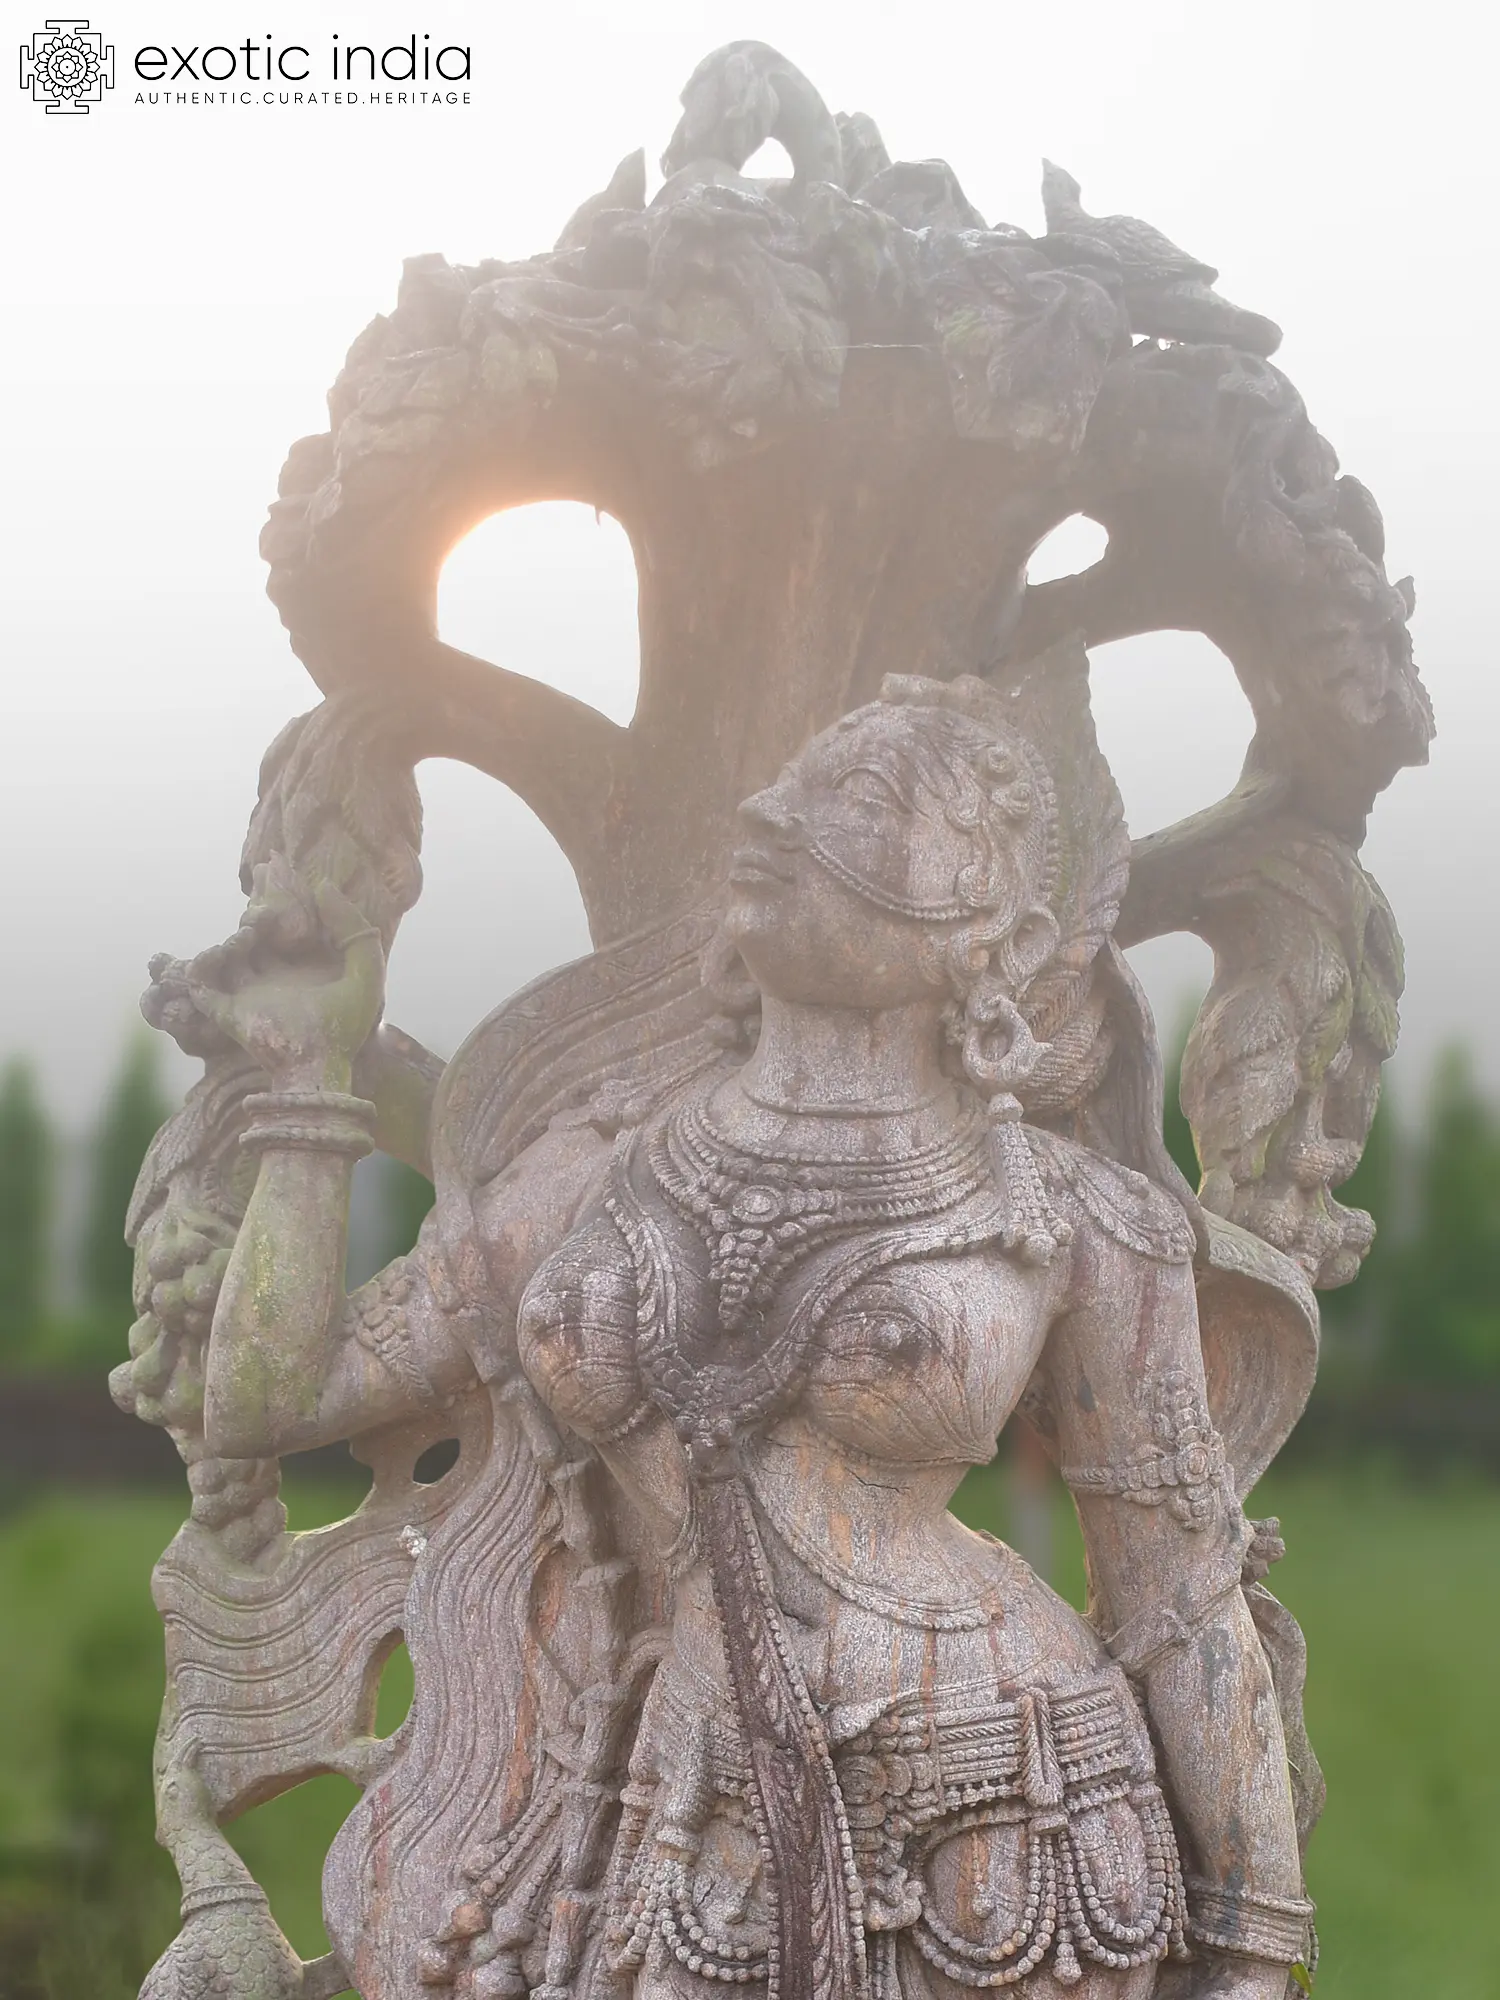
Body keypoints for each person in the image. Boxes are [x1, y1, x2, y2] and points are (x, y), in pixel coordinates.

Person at [185, 673, 1312, 2000]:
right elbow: (275, 1398)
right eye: (788, 788)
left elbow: (1180, 1599)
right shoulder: (585, 1179)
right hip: (678, 1805)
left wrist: (1253, 1949)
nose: (777, 814)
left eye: (866, 797)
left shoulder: (1065, 1216)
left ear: (994, 933)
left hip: (1014, 1809)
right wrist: (309, 1085)